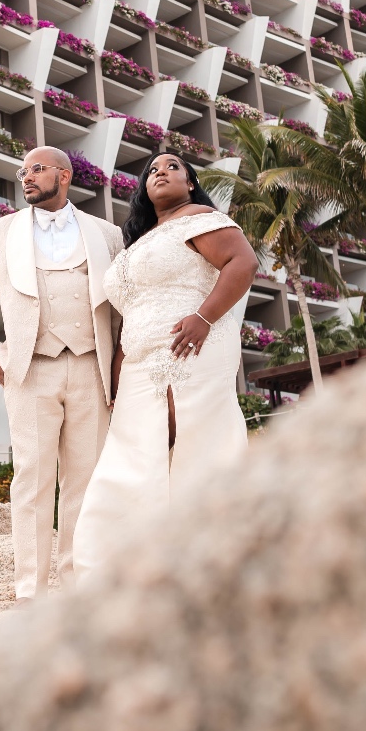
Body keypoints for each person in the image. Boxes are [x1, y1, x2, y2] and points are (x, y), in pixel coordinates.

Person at [73, 150, 257, 579]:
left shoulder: (201, 219)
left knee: (196, 445)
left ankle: (214, 559)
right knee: (132, 458)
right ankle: (120, 567)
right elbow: (130, 314)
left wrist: (204, 317)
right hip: (138, 361)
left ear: (191, 183)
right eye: (152, 169)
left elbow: (243, 263)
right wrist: (117, 374)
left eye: (173, 166)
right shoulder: (139, 241)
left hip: (194, 347)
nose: (160, 172)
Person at [0, 147, 125, 600]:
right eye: (23, 171)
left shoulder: (107, 234)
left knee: (85, 480)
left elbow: (122, 308)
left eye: (36, 169)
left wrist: (120, 367)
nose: (26, 177)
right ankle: (30, 589)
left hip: (93, 369)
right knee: (31, 479)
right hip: (29, 370)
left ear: (64, 175)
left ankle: (79, 586)